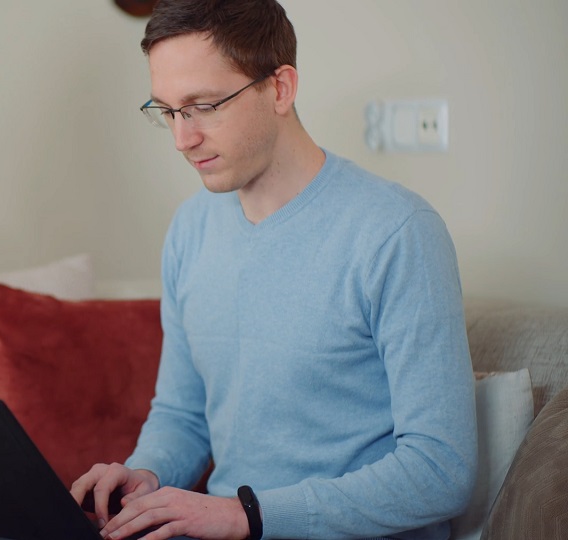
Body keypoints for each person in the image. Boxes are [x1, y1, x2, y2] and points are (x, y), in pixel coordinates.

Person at [69, 1, 478, 539]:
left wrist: (248, 515)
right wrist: (145, 477)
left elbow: (441, 471)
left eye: (204, 106)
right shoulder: (191, 229)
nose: (181, 138)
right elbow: (184, 415)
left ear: (280, 88)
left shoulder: (397, 232)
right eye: (167, 111)